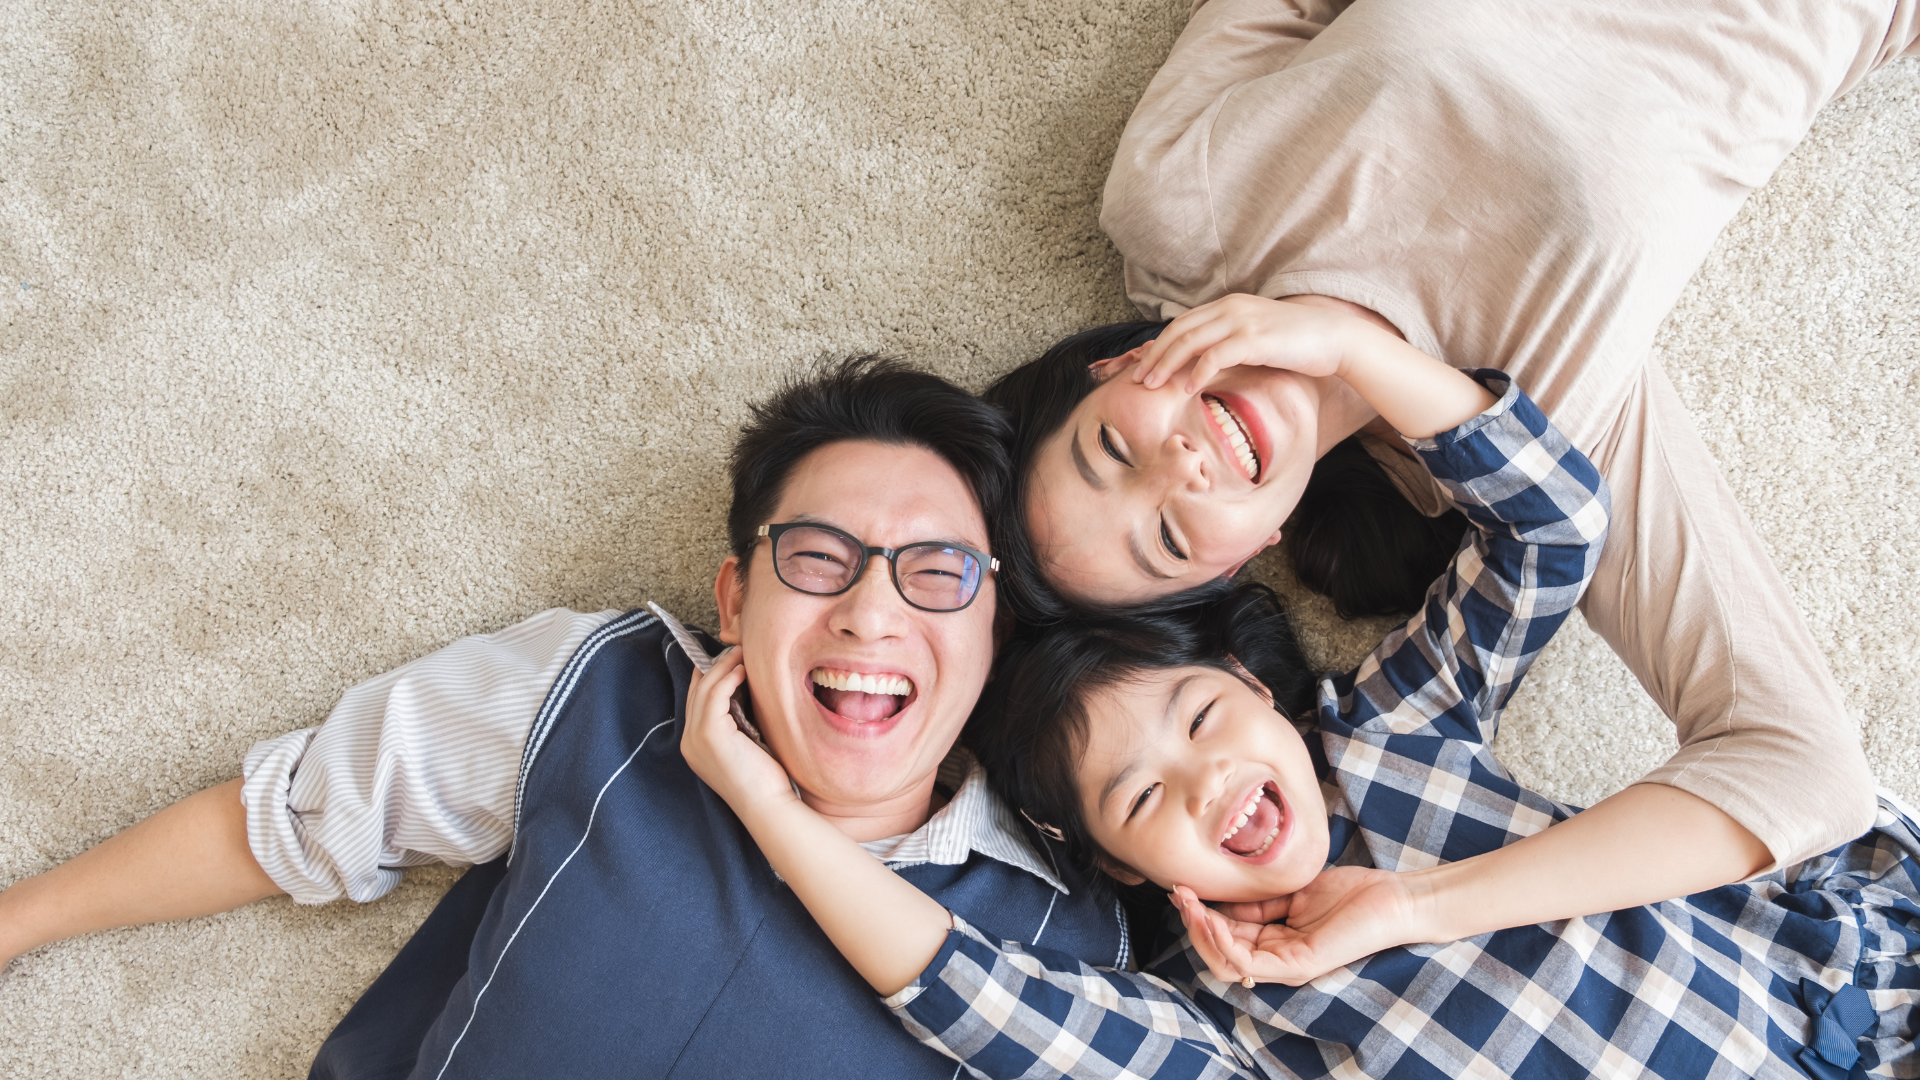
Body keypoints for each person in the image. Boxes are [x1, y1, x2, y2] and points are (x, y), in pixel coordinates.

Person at [682, 349, 1920, 1078]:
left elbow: (1556, 526)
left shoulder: (1388, 733)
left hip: (1843, 984)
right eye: (1145, 801)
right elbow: (964, 991)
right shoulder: (1227, 1026)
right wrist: (763, 802)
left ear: (1258, 690)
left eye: (1203, 720)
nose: (1206, 782)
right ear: (1117, 864)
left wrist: (1342, 344)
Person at [989, 0, 1919, 892]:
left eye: (1111, 449)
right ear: (1246, 558)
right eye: (1170, 539)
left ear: (1115, 365)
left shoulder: (1178, 211)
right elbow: (1807, 774)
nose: (1180, 470)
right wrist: (1426, 906)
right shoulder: (1536, 437)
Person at [0, 357, 1133, 1078]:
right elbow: (293, 821)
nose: (871, 614)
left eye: (936, 570)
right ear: (735, 600)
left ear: (994, 626)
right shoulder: (598, 690)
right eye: (818, 558)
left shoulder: (1080, 943)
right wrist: (16, 922)